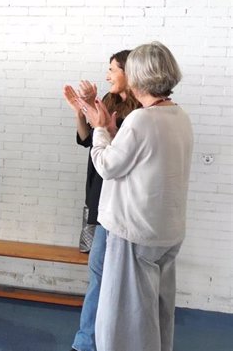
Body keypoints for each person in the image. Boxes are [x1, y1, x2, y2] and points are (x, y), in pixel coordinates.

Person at [77, 42, 193, 351]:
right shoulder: (178, 115)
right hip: (166, 233)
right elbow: (144, 162)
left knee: (122, 326)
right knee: (156, 316)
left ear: (138, 76)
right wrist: (115, 135)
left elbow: (107, 166)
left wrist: (101, 129)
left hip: (134, 234)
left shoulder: (142, 119)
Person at [63, 51, 141, 351]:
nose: (108, 75)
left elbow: (119, 155)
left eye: (112, 70)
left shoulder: (140, 114)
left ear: (129, 73)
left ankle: (97, 341)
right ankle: (87, 341)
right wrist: (80, 111)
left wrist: (104, 125)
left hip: (123, 206)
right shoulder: (108, 102)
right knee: (97, 275)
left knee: (114, 280)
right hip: (99, 201)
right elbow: (87, 140)